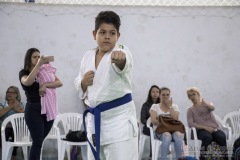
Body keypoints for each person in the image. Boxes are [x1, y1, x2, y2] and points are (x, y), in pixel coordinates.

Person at [74, 11, 138, 160]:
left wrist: (121, 59)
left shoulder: (121, 51)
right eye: (102, 32)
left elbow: (124, 62)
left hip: (119, 122)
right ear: (94, 34)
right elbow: (78, 81)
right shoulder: (88, 56)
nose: (107, 36)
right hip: (95, 123)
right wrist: (83, 82)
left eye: (112, 33)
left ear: (118, 36)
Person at [19, 48, 62, 160]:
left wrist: (46, 85)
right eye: (35, 57)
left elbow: (59, 82)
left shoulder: (45, 70)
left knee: (39, 141)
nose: (38, 59)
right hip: (34, 109)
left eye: (39, 57)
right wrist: (38, 65)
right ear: (29, 59)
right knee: (37, 141)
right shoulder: (24, 72)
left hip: (48, 108)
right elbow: (27, 82)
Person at [186, 87, 227, 160]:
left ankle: (225, 158)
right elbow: (190, 124)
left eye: (194, 94)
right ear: (189, 98)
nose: (192, 96)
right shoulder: (190, 110)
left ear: (198, 95)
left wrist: (207, 104)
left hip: (214, 128)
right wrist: (205, 127)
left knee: (221, 136)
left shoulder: (207, 104)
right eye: (190, 95)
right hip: (201, 130)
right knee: (207, 137)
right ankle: (202, 157)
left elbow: (212, 108)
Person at [150, 87, 184, 160]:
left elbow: (175, 119)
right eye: (163, 95)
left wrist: (170, 107)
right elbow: (153, 121)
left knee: (178, 135)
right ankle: (164, 158)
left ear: (170, 95)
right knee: (167, 135)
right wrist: (165, 121)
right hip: (159, 131)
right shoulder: (155, 106)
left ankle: (180, 158)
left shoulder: (174, 106)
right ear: (160, 95)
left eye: (167, 95)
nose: (165, 97)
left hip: (173, 130)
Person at [0, 86, 24, 160]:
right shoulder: (2, 104)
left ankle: (13, 154)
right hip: (3, 128)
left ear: (16, 94)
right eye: (8, 92)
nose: (9, 94)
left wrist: (16, 107)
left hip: (16, 129)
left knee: (16, 130)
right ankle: (6, 154)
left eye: (12, 92)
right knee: (4, 132)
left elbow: (22, 112)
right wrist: (11, 107)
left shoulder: (20, 104)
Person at [140, 85, 160, 158]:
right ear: (150, 93)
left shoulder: (162, 105)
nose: (155, 93)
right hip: (148, 128)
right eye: (153, 92)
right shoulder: (145, 105)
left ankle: (166, 151)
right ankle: (152, 156)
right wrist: (151, 124)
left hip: (159, 127)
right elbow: (142, 119)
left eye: (157, 92)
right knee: (153, 132)